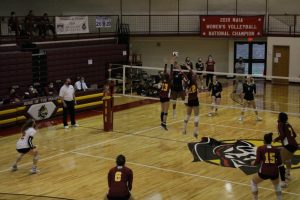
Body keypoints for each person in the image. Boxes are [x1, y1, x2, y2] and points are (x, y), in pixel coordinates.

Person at [251, 133, 282, 200]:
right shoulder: (276, 149)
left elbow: (257, 162)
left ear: (264, 140)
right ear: (271, 140)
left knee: (253, 182)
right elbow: (280, 162)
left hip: (264, 172)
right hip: (274, 172)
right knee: (277, 185)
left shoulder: (260, 148)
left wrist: (252, 163)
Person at [274, 112, 298, 188]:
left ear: (279, 118)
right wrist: (289, 138)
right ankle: (287, 174)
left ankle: (283, 182)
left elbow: (282, 135)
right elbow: (294, 135)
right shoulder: (288, 124)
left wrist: (276, 139)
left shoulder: (280, 124)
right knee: (287, 160)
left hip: (289, 145)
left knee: (280, 163)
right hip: (295, 145)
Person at [182, 64, 200, 139]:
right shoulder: (194, 80)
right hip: (195, 100)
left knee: (188, 115)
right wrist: (187, 67)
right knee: (196, 116)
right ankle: (195, 131)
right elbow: (192, 72)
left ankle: (184, 129)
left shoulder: (187, 82)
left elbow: (184, 76)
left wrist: (180, 69)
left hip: (189, 100)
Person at [158, 64, 171, 130]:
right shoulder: (169, 81)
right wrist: (171, 63)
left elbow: (165, 71)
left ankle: (162, 123)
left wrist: (165, 64)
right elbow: (171, 71)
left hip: (161, 96)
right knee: (165, 111)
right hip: (166, 97)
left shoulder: (163, 79)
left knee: (162, 110)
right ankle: (164, 124)